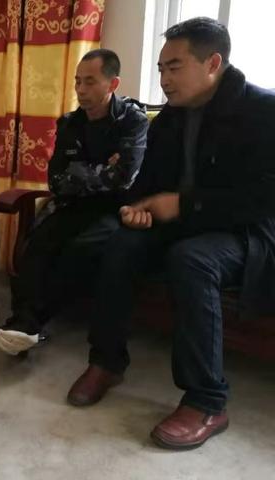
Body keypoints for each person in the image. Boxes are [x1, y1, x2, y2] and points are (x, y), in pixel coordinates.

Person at [66, 17, 275, 450]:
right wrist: (136, 209)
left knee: (192, 259)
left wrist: (184, 205)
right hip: (185, 221)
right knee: (121, 242)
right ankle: (107, 360)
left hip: (248, 231)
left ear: (212, 63)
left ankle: (207, 400)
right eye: (161, 68)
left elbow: (263, 198)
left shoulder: (263, 111)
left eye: (174, 67)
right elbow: (147, 184)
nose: (163, 79)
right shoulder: (170, 118)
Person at [0, 49, 148, 355]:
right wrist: (102, 170)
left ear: (113, 84)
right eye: (77, 81)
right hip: (74, 204)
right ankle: (22, 324)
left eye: (90, 82)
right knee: (39, 240)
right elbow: (56, 179)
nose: (80, 89)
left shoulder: (133, 121)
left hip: (117, 208)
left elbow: (123, 178)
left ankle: (30, 325)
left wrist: (81, 172)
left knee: (80, 248)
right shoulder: (69, 123)